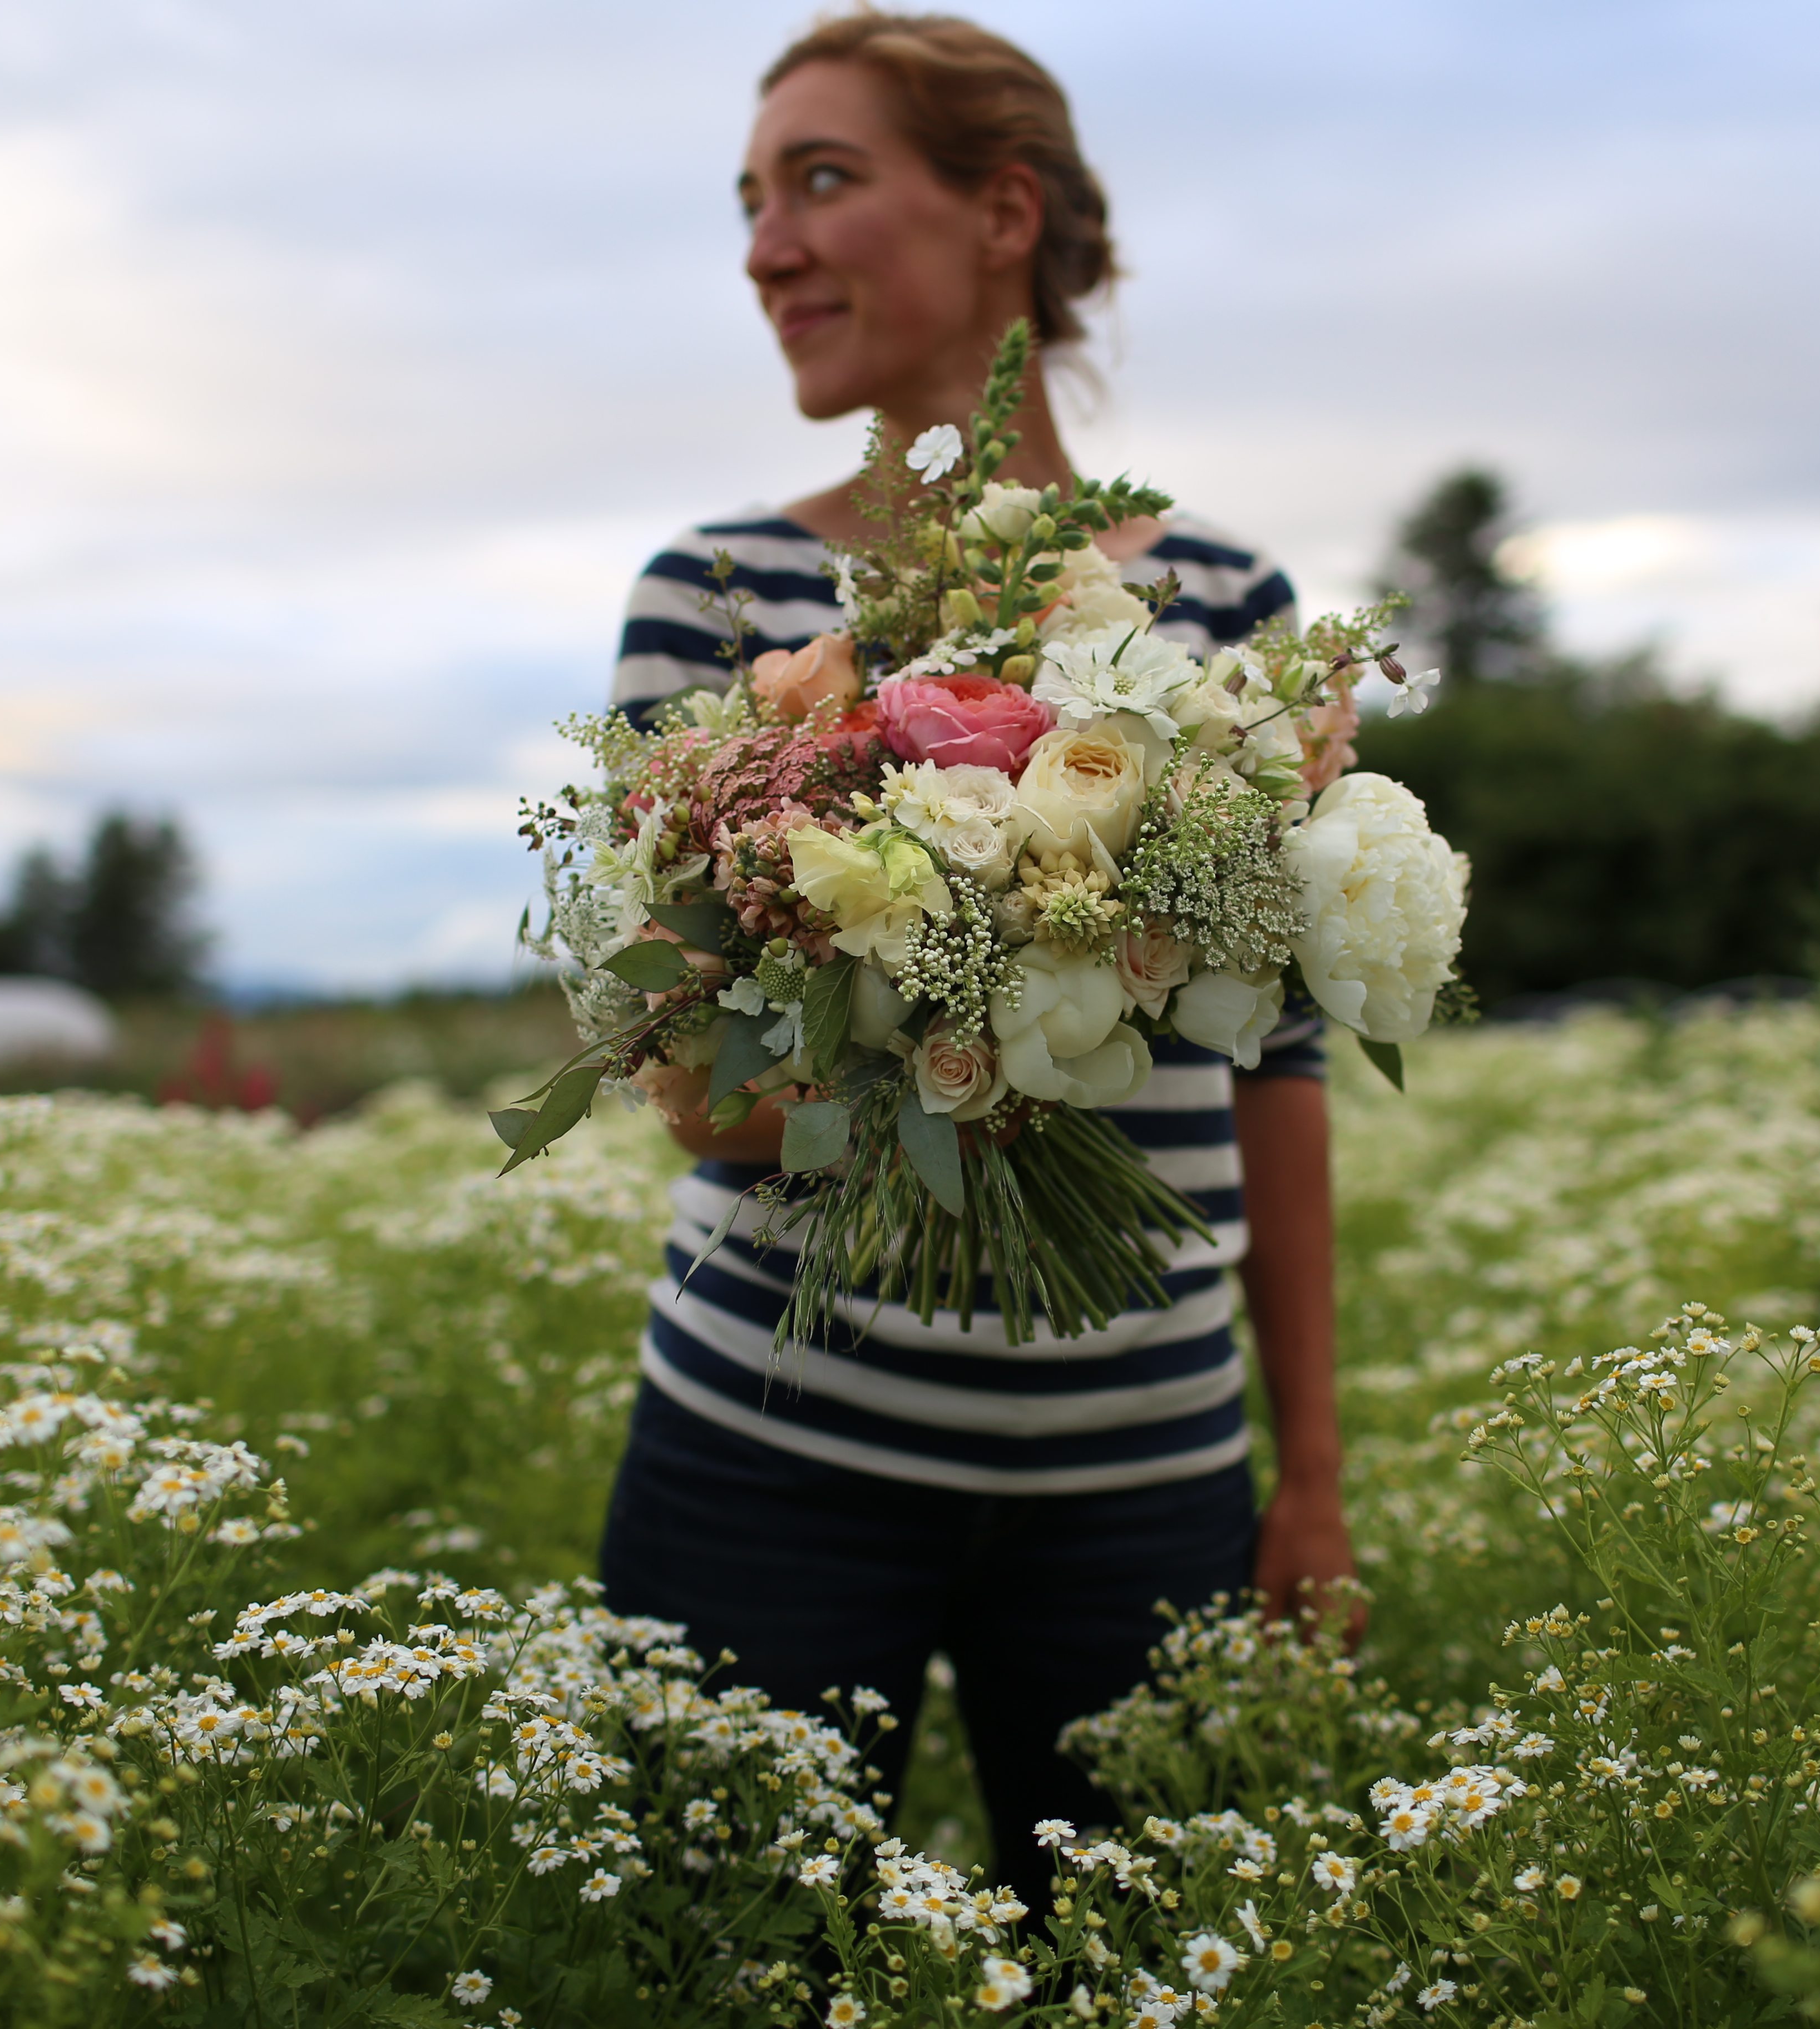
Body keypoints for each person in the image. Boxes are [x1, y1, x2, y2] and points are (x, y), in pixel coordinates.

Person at [595, 12, 1356, 1918]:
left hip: (1150, 1481)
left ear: (1000, 211)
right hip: (767, 1466)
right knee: (735, 1968)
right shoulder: (716, 599)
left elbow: (1277, 1068)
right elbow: (697, 1090)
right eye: (753, 201)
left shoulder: (1236, 612)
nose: (768, 247)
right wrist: (971, 985)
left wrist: (1314, 1475)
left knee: (1141, 1972)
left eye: (823, 181)